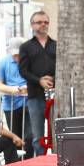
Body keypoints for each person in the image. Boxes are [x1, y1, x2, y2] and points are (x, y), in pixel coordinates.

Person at [19, 11, 56, 156]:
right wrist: (39, 80)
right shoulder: (26, 46)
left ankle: (56, 159)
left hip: (55, 94)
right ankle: (40, 161)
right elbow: (23, 70)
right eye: (39, 22)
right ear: (32, 25)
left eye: (46, 22)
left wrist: (52, 78)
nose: (43, 25)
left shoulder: (55, 45)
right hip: (35, 94)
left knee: (56, 132)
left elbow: (63, 66)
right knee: (37, 135)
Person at [0, 36, 33, 159]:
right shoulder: (2, 62)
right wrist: (14, 90)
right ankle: (17, 163)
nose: (16, 57)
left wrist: (27, 87)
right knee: (15, 136)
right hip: (10, 105)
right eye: (14, 54)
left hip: (29, 103)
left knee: (30, 135)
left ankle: (29, 162)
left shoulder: (31, 61)